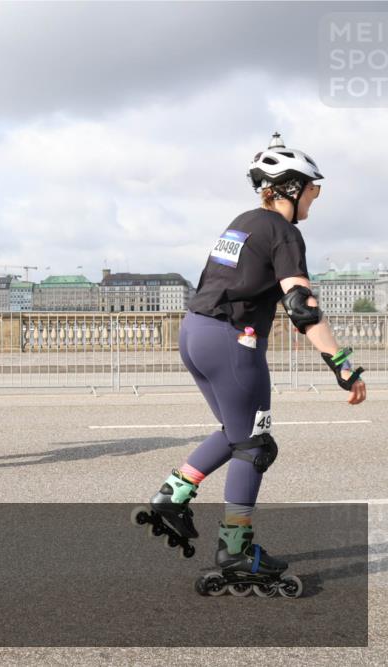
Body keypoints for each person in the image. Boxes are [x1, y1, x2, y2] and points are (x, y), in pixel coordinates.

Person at [136, 132, 367, 595]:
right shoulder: (283, 231)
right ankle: (237, 549)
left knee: (236, 432)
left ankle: (172, 495)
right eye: (311, 189)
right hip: (232, 342)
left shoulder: (240, 224)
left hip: (195, 332)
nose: (314, 199)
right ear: (289, 187)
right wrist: (341, 363)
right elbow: (301, 305)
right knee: (255, 446)